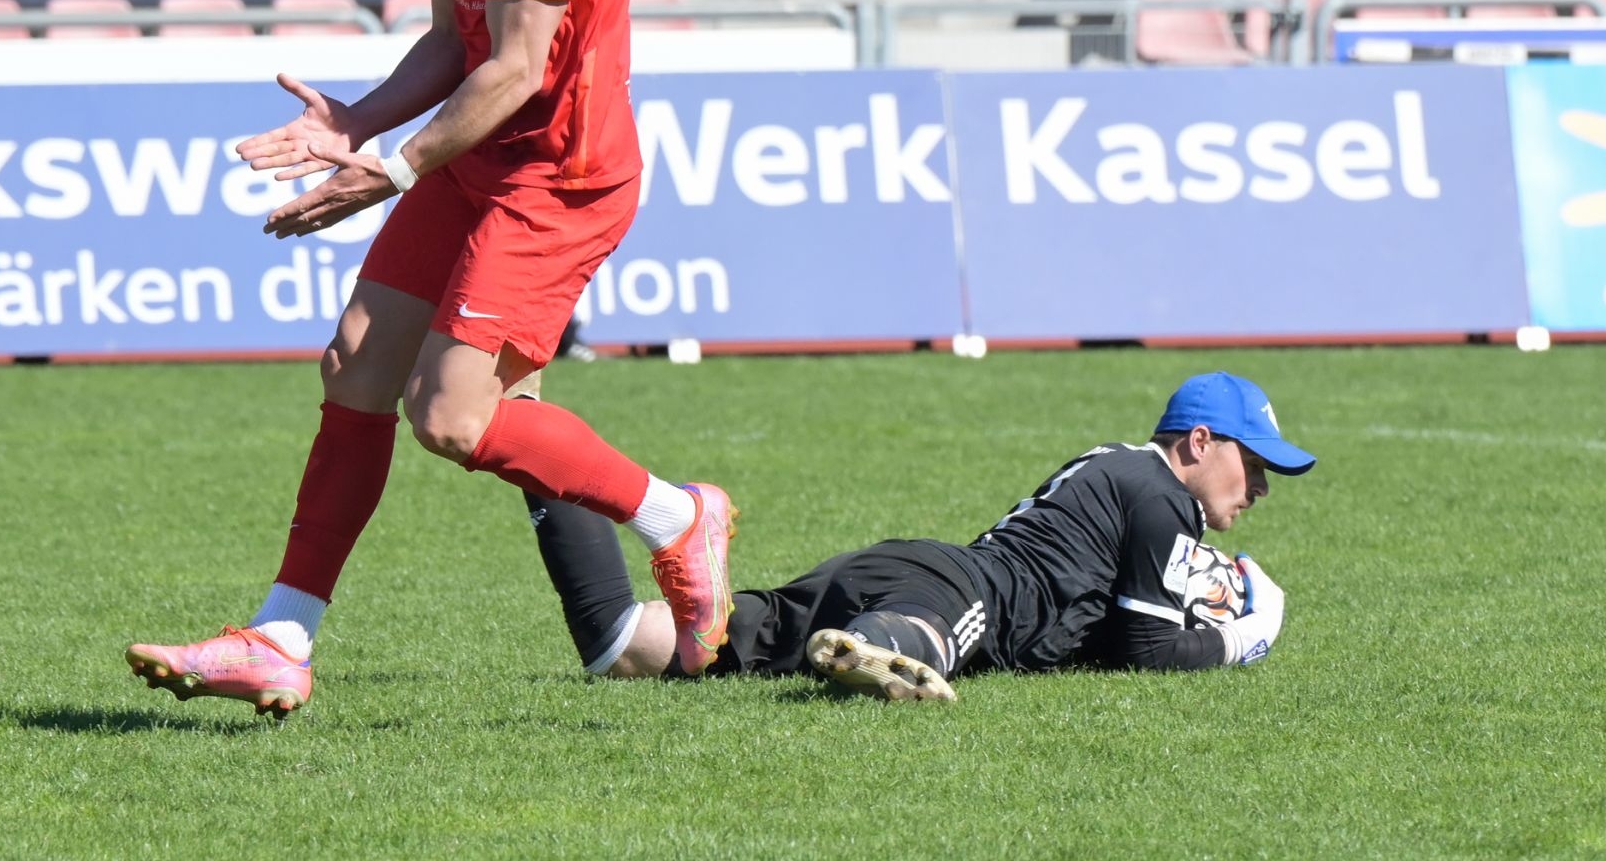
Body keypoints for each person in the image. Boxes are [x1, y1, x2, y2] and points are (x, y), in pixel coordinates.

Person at [125, 0, 738, 718]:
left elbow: (517, 69)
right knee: (356, 361)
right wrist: (355, 124)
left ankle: (680, 518)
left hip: (558, 174)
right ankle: (281, 638)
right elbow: (458, 39)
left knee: (453, 419)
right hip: (477, 156)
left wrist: (396, 168)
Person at [527, 373, 1313, 702]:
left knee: (627, 645)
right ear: (1200, 442)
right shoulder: (1162, 494)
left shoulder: (1123, 470)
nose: (1261, 487)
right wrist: (1246, 635)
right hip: (963, 592)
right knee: (929, 643)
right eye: (1253, 464)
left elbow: (1110, 633)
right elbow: (1147, 651)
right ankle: (876, 647)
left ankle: (532, 440)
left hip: (908, 566)